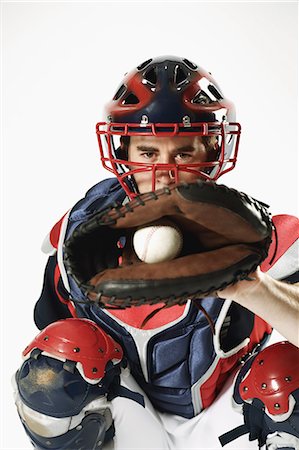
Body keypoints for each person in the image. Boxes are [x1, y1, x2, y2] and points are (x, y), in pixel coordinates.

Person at [13, 56, 299, 450]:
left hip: (221, 425)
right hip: (129, 420)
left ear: (214, 149)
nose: (166, 172)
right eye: (148, 152)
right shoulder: (82, 231)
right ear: (123, 148)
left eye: (184, 153)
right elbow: (50, 341)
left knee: (287, 379)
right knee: (58, 360)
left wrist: (254, 287)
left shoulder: (259, 235)